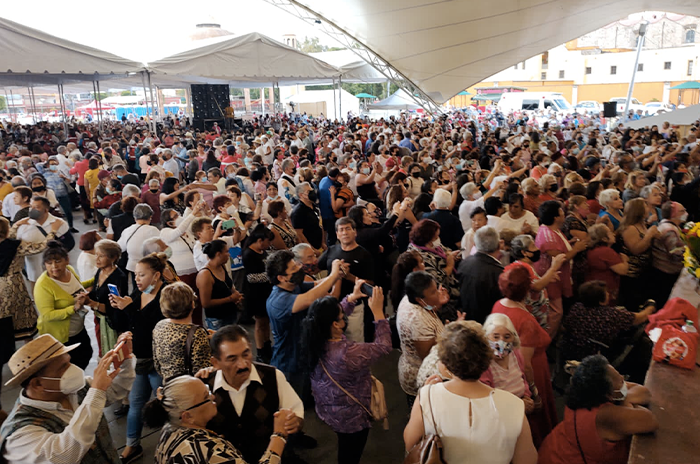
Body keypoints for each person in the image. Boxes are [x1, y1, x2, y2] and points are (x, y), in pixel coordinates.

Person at [404, 321, 537, 464]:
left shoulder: (427, 396)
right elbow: (527, 460)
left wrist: (427, 392)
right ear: (486, 359)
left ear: (445, 363)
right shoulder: (514, 404)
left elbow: (410, 443)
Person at [0, 332, 136, 464]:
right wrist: (97, 392)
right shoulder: (19, 436)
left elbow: (116, 390)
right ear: (37, 383)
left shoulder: (75, 389)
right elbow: (65, 455)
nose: (73, 369)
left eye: (69, 362)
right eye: (63, 367)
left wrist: (123, 360)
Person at [302, 280, 391, 464]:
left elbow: (331, 317)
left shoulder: (313, 335)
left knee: (344, 443)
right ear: (335, 324)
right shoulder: (347, 353)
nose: (344, 316)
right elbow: (384, 346)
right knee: (350, 452)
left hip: (327, 405)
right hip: (351, 417)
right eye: (342, 316)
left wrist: (351, 299)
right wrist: (378, 313)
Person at [198, 325, 305, 464]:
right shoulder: (203, 386)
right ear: (216, 362)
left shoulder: (272, 376)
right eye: (232, 359)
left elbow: (297, 414)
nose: (243, 364)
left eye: (246, 354)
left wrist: (294, 422)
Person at [538, 355, 658, 464]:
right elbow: (649, 420)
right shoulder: (605, 415)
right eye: (621, 381)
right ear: (609, 394)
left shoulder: (587, 392)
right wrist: (626, 401)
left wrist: (625, 398)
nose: (623, 379)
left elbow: (644, 392)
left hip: (556, 447)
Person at [145, 375, 289, 464]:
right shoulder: (208, 451)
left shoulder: (169, 425)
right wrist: (279, 435)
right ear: (187, 416)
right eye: (205, 397)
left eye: (208, 389)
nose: (213, 396)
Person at [108, 253, 168, 463]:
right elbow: (131, 323)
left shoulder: (165, 295)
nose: (137, 279)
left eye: (142, 275)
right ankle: (132, 446)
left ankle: (174, 445)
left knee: (167, 406)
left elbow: (156, 327)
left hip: (159, 360)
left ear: (157, 275)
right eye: (136, 275)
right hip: (141, 359)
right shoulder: (139, 292)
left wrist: (130, 308)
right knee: (135, 403)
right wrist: (118, 308)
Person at [491, 265, 557, 447]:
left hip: (508, 369)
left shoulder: (498, 305)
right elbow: (526, 364)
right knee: (536, 417)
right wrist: (534, 392)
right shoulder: (525, 319)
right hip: (532, 371)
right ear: (527, 289)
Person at [265, 250, 346, 397]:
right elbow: (309, 299)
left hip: (303, 355)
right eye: (293, 269)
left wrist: (336, 276)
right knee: (295, 402)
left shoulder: (294, 285)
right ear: (281, 278)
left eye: (296, 265)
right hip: (289, 362)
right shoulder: (278, 301)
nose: (299, 269)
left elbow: (316, 284)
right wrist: (333, 274)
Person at [563, 281, 654, 384]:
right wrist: (651, 306)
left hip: (569, 350)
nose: (609, 294)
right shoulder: (611, 315)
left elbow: (566, 325)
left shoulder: (576, 308)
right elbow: (640, 318)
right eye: (606, 292)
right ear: (601, 301)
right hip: (595, 355)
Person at [0, 217, 61, 346]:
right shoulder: (15, 246)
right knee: (23, 317)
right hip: (13, 284)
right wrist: (53, 231)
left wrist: (16, 226)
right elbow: (40, 247)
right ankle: (30, 350)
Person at [33, 241, 93, 369]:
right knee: (70, 366)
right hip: (62, 335)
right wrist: (74, 308)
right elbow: (47, 315)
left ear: (67, 260)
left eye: (58, 261)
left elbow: (77, 287)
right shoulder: (43, 285)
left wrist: (97, 279)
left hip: (78, 328)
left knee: (86, 354)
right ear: (44, 265)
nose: (54, 266)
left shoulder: (69, 271)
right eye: (49, 263)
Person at [396, 271, 451, 406]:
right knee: (423, 412)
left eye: (436, 288)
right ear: (419, 299)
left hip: (411, 365)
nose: (438, 293)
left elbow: (428, 310)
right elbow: (428, 356)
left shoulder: (412, 300)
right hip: (420, 374)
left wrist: (438, 304)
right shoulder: (417, 320)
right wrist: (449, 333)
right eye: (433, 292)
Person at [535, 201, 588, 336]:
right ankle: (546, 339)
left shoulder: (553, 229)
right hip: (552, 277)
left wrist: (569, 244)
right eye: (561, 212)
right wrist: (576, 249)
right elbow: (560, 259)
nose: (564, 213)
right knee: (556, 311)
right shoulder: (548, 237)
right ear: (555, 217)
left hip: (558, 276)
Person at [318, 217, 375, 339]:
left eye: (348, 229)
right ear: (337, 234)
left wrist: (349, 276)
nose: (344, 233)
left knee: (354, 340)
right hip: (332, 305)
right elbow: (316, 268)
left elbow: (370, 283)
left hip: (354, 306)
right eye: (341, 230)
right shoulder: (332, 250)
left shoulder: (364, 254)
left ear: (355, 232)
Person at [152, 282, 211, 381]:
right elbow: (202, 372)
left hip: (169, 386)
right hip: (190, 388)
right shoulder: (197, 333)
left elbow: (157, 364)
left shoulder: (159, 326)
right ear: (192, 304)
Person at [81, 239, 127, 358]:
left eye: (101, 256)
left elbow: (114, 307)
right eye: (96, 255)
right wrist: (86, 296)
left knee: (114, 354)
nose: (97, 259)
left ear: (113, 258)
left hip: (113, 322)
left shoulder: (118, 278)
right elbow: (96, 292)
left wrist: (91, 303)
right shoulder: (100, 271)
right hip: (99, 318)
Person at [509, 235, 565, 332]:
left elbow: (535, 282)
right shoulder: (521, 268)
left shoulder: (527, 265)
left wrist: (547, 278)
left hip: (537, 313)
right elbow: (537, 286)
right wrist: (553, 267)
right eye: (533, 246)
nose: (537, 249)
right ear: (524, 252)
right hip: (531, 314)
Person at [481, 313, 535, 413]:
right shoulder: (484, 364)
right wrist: (518, 405)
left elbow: (523, 379)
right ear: (486, 337)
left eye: (507, 337)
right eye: (496, 337)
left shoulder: (515, 354)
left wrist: (527, 397)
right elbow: (487, 401)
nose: (501, 342)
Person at [15, 196, 70, 289]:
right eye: (30, 207)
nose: (32, 210)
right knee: (37, 291)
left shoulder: (59, 223)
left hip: (56, 268)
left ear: (46, 209)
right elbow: (18, 246)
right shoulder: (24, 224)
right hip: (34, 269)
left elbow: (69, 244)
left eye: (36, 207)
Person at [616, 198, 659, 311]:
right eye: (645, 205)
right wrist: (649, 235)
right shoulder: (630, 228)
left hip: (644, 270)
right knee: (632, 303)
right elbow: (636, 249)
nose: (648, 207)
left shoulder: (643, 224)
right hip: (633, 273)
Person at [242, 225, 275, 363]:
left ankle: (267, 344)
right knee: (260, 323)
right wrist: (271, 276)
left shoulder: (262, 252)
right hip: (255, 294)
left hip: (265, 291)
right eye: (268, 241)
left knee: (266, 321)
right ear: (260, 240)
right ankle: (261, 350)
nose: (269, 244)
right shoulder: (249, 254)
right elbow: (251, 277)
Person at [459, 226, 505, 323]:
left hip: (465, 319)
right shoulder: (499, 273)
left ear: (475, 244)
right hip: (488, 323)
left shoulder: (465, 263)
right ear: (498, 245)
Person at [407, 219, 460, 302]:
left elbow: (445, 250)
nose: (438, 239)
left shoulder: (433, 245)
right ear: (427, 238)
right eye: (436, 237)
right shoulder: (422, 257)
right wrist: (449, 266)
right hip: (444, 294)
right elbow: (436, 281)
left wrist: (450, 255)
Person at [197, 239, 243, 330]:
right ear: (218, 254)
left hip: (230, 313)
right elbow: (206, 303)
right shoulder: (205, 274)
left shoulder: (222, 266)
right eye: (226, 252)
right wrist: (230, 298)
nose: (229, 254)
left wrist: (235, 293)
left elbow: (228, 284)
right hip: (217, 318)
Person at [650, 201, 686, 307]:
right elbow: (676, 253)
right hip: (665, 272)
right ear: (673, 214)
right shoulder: (669, 230)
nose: (685, 213)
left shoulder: (670, 225)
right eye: (682, 211)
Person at [585, 224, 628, 304]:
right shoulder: (606, 252)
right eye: (610, 233)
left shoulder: (593, 250)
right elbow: (623, 270)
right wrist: (625, 260)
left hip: (594, 289)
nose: (613, 234)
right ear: (604, 239)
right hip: (603, 291)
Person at [117, 203, 160, 277]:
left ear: (134, 217)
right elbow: (160, 248)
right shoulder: (153, 230)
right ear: (150, 217)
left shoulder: (127, 230)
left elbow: (119, 248)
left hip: (133, 266)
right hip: (149, 266)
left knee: (136, 286)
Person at [291, 182, 324, 251]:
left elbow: (320, 225)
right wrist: (312, 249)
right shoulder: (298, 212)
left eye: (312, 190)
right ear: (301, 195)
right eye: (309, 191)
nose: (312, 193)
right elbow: (299, 234)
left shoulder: (314, 206)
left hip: (319, 246)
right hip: (310, 249)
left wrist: (323, 243)